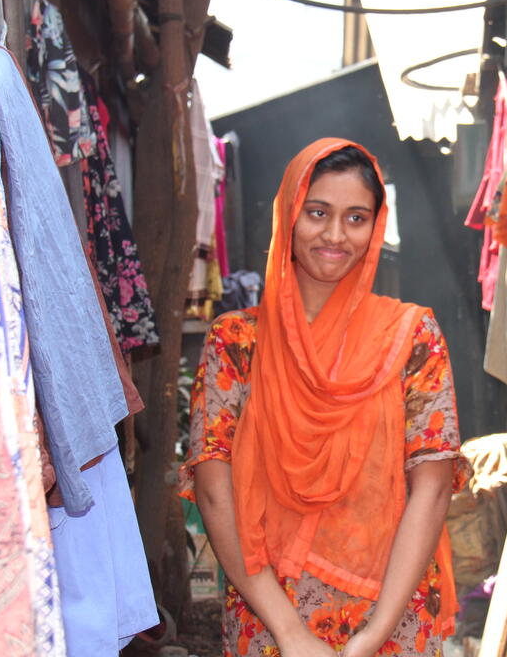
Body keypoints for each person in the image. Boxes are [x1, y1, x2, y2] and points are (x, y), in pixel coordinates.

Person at [180, 138, 471, 657]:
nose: (336, 235)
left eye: (356, 218)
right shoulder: (236, 343)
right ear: (289, 215)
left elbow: (431, 489)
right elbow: (214, 491)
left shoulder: (410, 337)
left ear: (376, 227)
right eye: (318, 212)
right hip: (269, 619)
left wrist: (373, 637)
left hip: (392, 616)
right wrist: (291, 634)